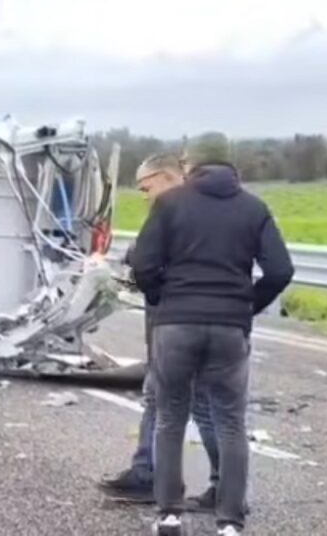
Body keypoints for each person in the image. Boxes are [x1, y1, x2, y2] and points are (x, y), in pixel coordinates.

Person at [131, 134, 294, 536]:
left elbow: (143, 265)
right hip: (229, 329)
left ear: (192, 165)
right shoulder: (254, 208)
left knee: (170, 416)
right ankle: (230, 523)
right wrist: (245, 306)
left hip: (175, 324)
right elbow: (280, 270)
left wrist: (163, 298)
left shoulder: (169, 204)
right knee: (231, 422)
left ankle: (169, 515)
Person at [99, 153, 221, 509]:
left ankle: (220, 485)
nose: (144, 195)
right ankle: (147, 474)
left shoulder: (182, 211)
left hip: (183, 323)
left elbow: (151, 258)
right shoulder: (201, 208)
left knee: (200, 405)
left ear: (167, 178)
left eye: (146, 187)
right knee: (160, 397)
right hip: (179, 321)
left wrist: (141, 273)